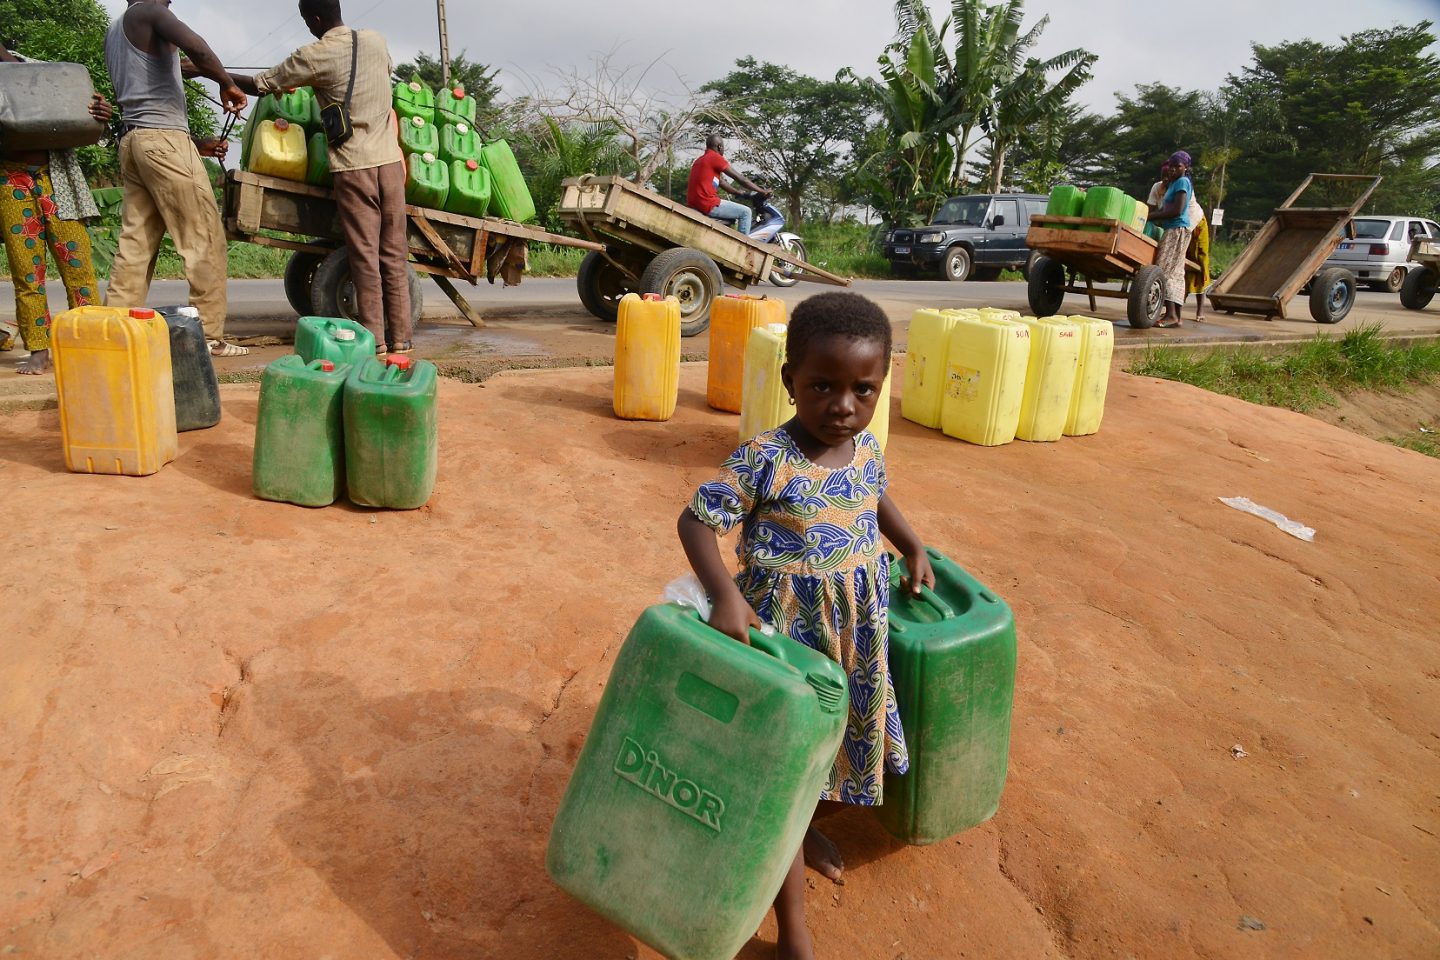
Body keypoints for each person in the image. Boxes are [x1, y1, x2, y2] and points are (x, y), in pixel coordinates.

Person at [677, 292, 934, 960]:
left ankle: (803, 830)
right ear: (790, 379)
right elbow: (697, 521)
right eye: (822, 386)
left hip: (853, 644)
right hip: (785, 642)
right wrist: (723, 597)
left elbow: (875, 497)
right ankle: (794, 937)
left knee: (839, 756)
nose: (842, 405)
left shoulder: (866, 449)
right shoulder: (767, 457)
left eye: (862, 389)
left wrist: (912, 546)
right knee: (785, 774)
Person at [228, 0, 411, 355]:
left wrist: (213, 72)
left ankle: (375, 340)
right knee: (393, 254)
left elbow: (262, 84)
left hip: (353, 166)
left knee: (364, 256)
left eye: (306, 21)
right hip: (390, 164)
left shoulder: (314, 55)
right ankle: (402, 339)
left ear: (313, 19)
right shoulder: (376, 40)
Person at [103, 0, 248, 356]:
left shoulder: (115, 31)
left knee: (135, 246)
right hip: (164, 141)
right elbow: (196, 46)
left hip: (135, 141)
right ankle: (210, 337)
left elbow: (170, 71)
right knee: (204, 239)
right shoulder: (150, 11)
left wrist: (198, 141)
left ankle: (115, 334)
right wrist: (227, 84)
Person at [0, 46, 112, 374]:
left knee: (77, 266)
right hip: (9, 181)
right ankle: (38, 348)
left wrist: (100, 115)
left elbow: (84, 116)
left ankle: (89, 342)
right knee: (27, 272)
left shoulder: (39, 70)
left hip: (57, 179)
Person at [1147, 160, 1210, 322]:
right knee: (1174, 269)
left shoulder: (1181, 183)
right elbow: (1153, 209)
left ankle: (1179, 313)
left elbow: (1176, 211)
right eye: (1166, 173)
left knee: (1191, 265)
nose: (1168, 176)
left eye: (1175, 168)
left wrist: (1151, 216)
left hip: (1188, 226)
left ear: (1185, 168)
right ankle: (1174, 314)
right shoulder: (1162, 187)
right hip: (1174, 228)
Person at [686, 133, 768, 236]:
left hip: (694, 203)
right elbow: (740, 178)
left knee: (734, 215)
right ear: (720, 147)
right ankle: (742, 247)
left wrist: (740, 194)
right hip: (707, 203)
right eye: (723, 147)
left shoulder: (700, 160)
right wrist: (762, 191)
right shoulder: (715, 157)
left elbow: (722, 182)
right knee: (746, 212)